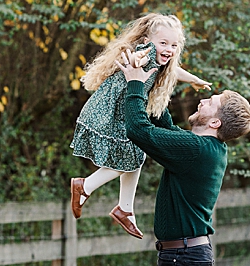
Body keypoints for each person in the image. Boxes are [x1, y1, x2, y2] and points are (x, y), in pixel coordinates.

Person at [116, 48, 250, 266]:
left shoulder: (197, 150)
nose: (203, 100)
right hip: (181, 256)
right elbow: (161, 124)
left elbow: (139, 130)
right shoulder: (204, 148)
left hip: (183, 257)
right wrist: (153, 80)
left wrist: (134, 85)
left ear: (215, 122)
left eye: (211, 103)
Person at [69, 14, 210, 238]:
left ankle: (125, 208)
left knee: (137, 154)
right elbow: (138, 57)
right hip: (112, 113)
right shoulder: (146, 53)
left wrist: (194, 79)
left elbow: (174, 71)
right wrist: (136, 61)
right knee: (130, 158)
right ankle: (85, 186)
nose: (169, 49)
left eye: (174, 45)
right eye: (163, 43)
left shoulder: (163, 60)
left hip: (119, 112)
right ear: (148, 40)